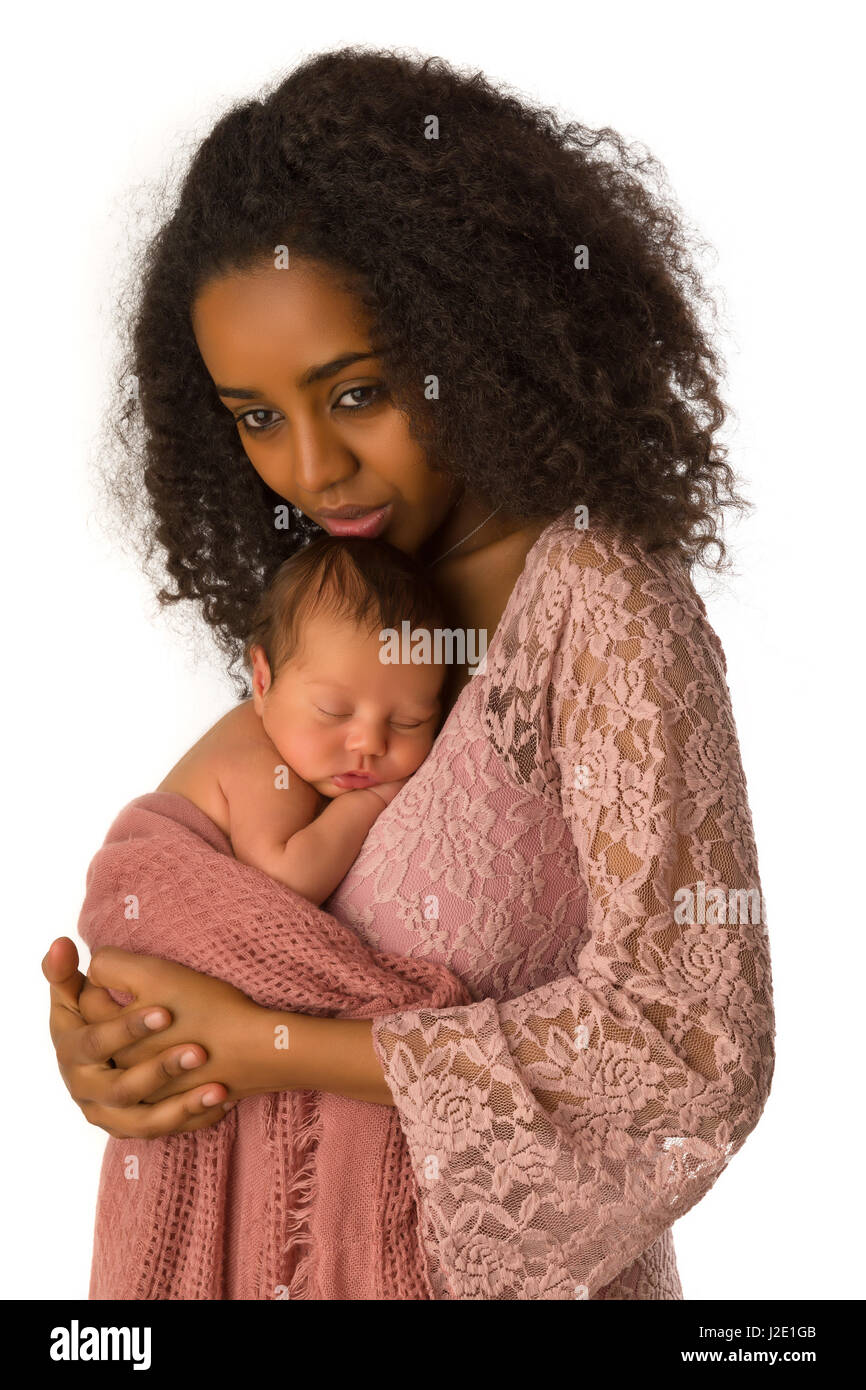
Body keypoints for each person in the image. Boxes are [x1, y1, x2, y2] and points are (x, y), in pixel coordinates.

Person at [45, 46, 775, 1299]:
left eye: (359, 392)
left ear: (471, 336)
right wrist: (118, 1039)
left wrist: (275, 1045)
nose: (313, 468)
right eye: (257, 417)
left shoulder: (595, 613)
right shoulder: (355, 605)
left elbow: (694, 1039)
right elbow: (188, 877)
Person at [156, 535, 448, 903]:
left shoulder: (298, 750)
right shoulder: (261, 761)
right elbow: (285, 883)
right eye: (333, 711)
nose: (371, 743)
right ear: (262, 682)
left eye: (409, 722)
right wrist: (370, 801)